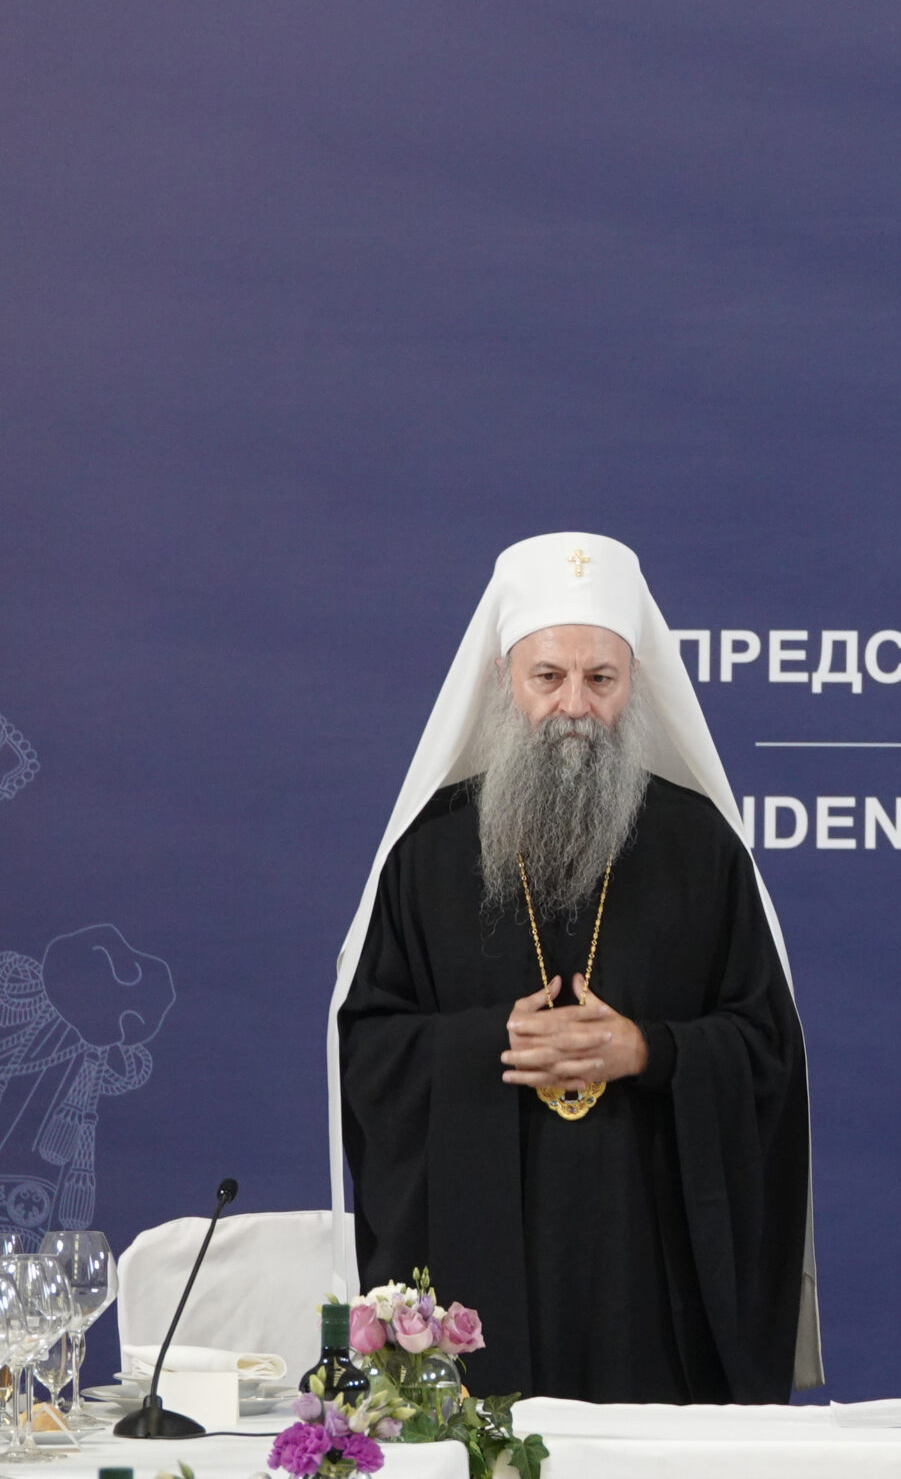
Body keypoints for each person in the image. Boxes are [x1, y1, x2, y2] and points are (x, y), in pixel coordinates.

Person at [327, 533, 821, 1402]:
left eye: (602, 680)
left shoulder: (701, 849)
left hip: (650, 1276)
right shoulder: (430, 855)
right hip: (476, 1268)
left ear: (635, 688)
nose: (574, 707)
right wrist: (487, 1044)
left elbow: (767, 1050)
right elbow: (368, 1046)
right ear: (503, 683)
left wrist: (649, 1053)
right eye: (547, 677)